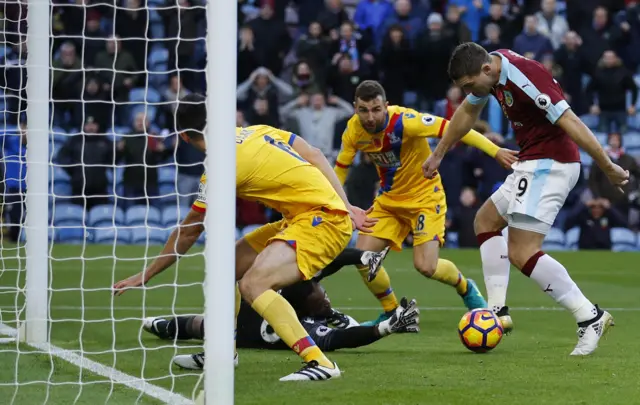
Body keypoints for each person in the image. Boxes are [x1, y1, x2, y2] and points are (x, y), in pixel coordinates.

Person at [113, 93, 377, 382]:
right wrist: (347, 204)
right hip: (309, 217)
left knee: (253, 284)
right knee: (225, 269)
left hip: (322, 221)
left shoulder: (219, 168)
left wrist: (146, 275)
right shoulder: (254, 131)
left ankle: (320, 362)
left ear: (184, 138)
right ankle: (224, 351)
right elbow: (313, 153)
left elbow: (189, 231)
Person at [422, 43, 629, 355]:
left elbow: (570, 120)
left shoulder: (525, 76)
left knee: (522, 251)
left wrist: (607, 166)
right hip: (531, 162)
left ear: (486, 70)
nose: (467, 93)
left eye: (468, 85)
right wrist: (438, 154)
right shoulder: (492, 69)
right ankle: (497, 312)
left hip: (551, 164)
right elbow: (467, 112)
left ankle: (590, 317)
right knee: (486, 221)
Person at [333, 80, 518, 326]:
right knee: (364, 258)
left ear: (386, 106)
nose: (369, 116)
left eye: (376, 109)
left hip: (424, 198)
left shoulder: (406, 121)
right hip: (389, 201)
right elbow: (340, 170)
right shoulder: (353, 130)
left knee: (426, 266)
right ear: (355, 108)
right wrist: (335, 203)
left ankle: (465, 287)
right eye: (363, 110)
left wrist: (495, 150)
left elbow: (456, 128)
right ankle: (394, 313)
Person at [142, 252, 419, 370]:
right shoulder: (300, 326)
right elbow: (339, 340)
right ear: (304, 308)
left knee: (202, 324)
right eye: (320, 295)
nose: (325, 295)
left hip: (244, 316)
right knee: (204, 326)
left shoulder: (291, 293)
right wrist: (384, 328)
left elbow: (328, 265)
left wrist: (359, 256)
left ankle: (162, 326)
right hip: (247, 330)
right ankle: (162, 326)